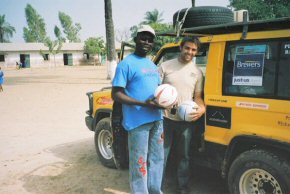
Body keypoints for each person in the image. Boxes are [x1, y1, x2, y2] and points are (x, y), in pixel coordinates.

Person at [111, 25, 164, 194]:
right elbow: (116, 94)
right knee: (139, 162)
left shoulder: (152, 64)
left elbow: (156, 90)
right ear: (136, 39)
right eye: (143, 38)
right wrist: (143, 103)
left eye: (150, 40)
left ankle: (155, 191)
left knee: (157, 159)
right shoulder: (126, 64)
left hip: (157, 119)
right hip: (137, 122)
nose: (146, 42)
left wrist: (165, 100)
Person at [159, 37, 206, 194]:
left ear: (197, 52)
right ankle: (155, 186)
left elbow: (198, 96)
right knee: (161, 155)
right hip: (165, 119)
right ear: (181, 48)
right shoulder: (165, 66)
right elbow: (155, 91)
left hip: (186, 122)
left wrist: (202, 109)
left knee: (183, 156)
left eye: (193, 50)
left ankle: (182, 188)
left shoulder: (197, 73)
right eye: (187, 48)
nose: (190, 52)